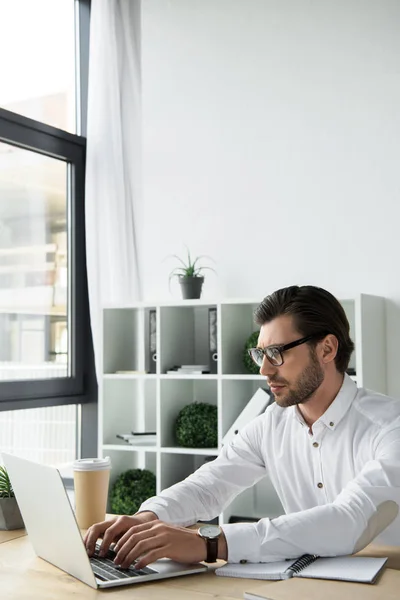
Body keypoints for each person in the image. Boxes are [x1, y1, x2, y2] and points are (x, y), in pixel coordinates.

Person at [85, 285, 400, 570]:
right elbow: (208, 485)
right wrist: (146, 519)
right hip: (307, 580)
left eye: (276, 353)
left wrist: (210, 542)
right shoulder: (269, 427)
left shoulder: (390, 427)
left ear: (327, 350)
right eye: (261, 354)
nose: (263, 369)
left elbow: (348, 521)